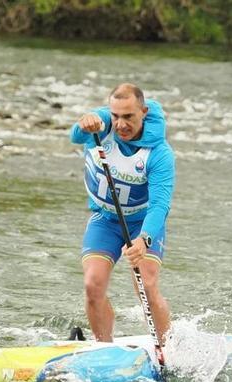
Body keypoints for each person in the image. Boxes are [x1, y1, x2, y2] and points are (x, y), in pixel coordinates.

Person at [70, 83, 175, 345]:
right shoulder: (101, 128)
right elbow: (75, 136)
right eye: (115, 116)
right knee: (93, 285)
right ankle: (103, 347)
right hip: (105, 221)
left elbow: (160, 205)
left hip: (142, 224)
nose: (121, 124)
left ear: (144, 112)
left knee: (146, 285)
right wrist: (84, 122)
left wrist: (144, 239)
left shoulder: (159, 154)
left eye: (128, 117)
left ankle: (166, 349)